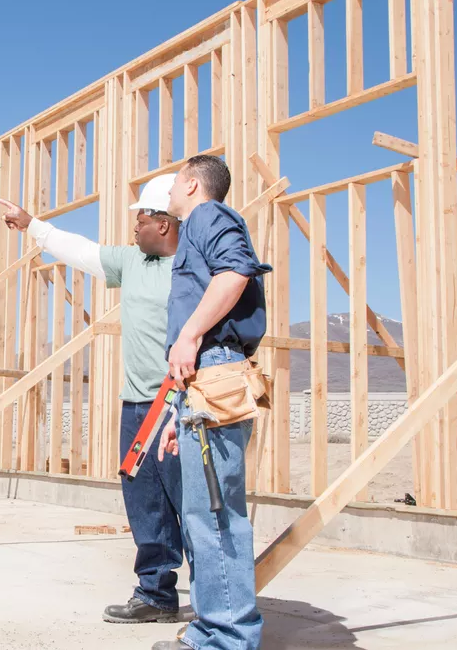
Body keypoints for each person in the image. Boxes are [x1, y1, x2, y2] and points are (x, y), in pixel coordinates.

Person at [0, 174, 188, 624]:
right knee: (146, 504)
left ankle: (217, 608)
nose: (133, 227)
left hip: (180, 405)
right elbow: (81, 251)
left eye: (140, 218)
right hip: (138, 405)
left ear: (163, 223)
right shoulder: (133, 262)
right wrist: (32, 225)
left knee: (191, 503)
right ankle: (156, 595)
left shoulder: (194, 268)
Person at [153, 154, 270, 650]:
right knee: (205, 511)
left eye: (175, 184)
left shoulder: (207, 216)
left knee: (214, 514)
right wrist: (177, 410)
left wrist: (190, 333)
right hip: (203, 380)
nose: (169, 195)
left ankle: (226, 638)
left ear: (194, 184)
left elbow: (234, 272)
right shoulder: (201, 223)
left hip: (213, 367)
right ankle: (212, 629)